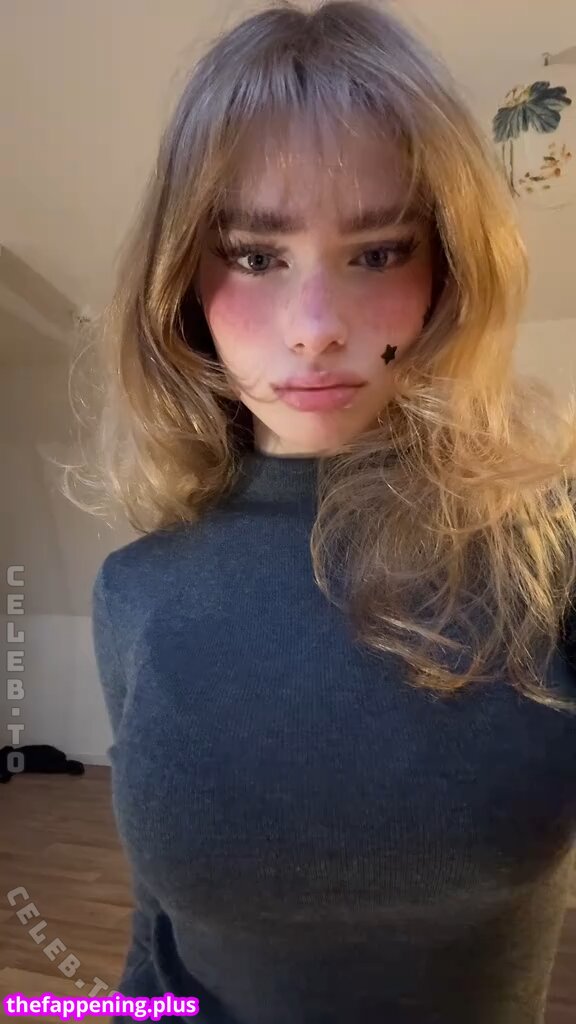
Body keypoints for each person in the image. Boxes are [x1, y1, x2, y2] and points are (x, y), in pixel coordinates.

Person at [74, 1, 576, 1021]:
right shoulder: (135, 591)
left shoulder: (549, 542)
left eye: (379, 252)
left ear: (447, 271)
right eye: (256, 256)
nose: (313, 330)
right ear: (182, 281)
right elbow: (157, 930)